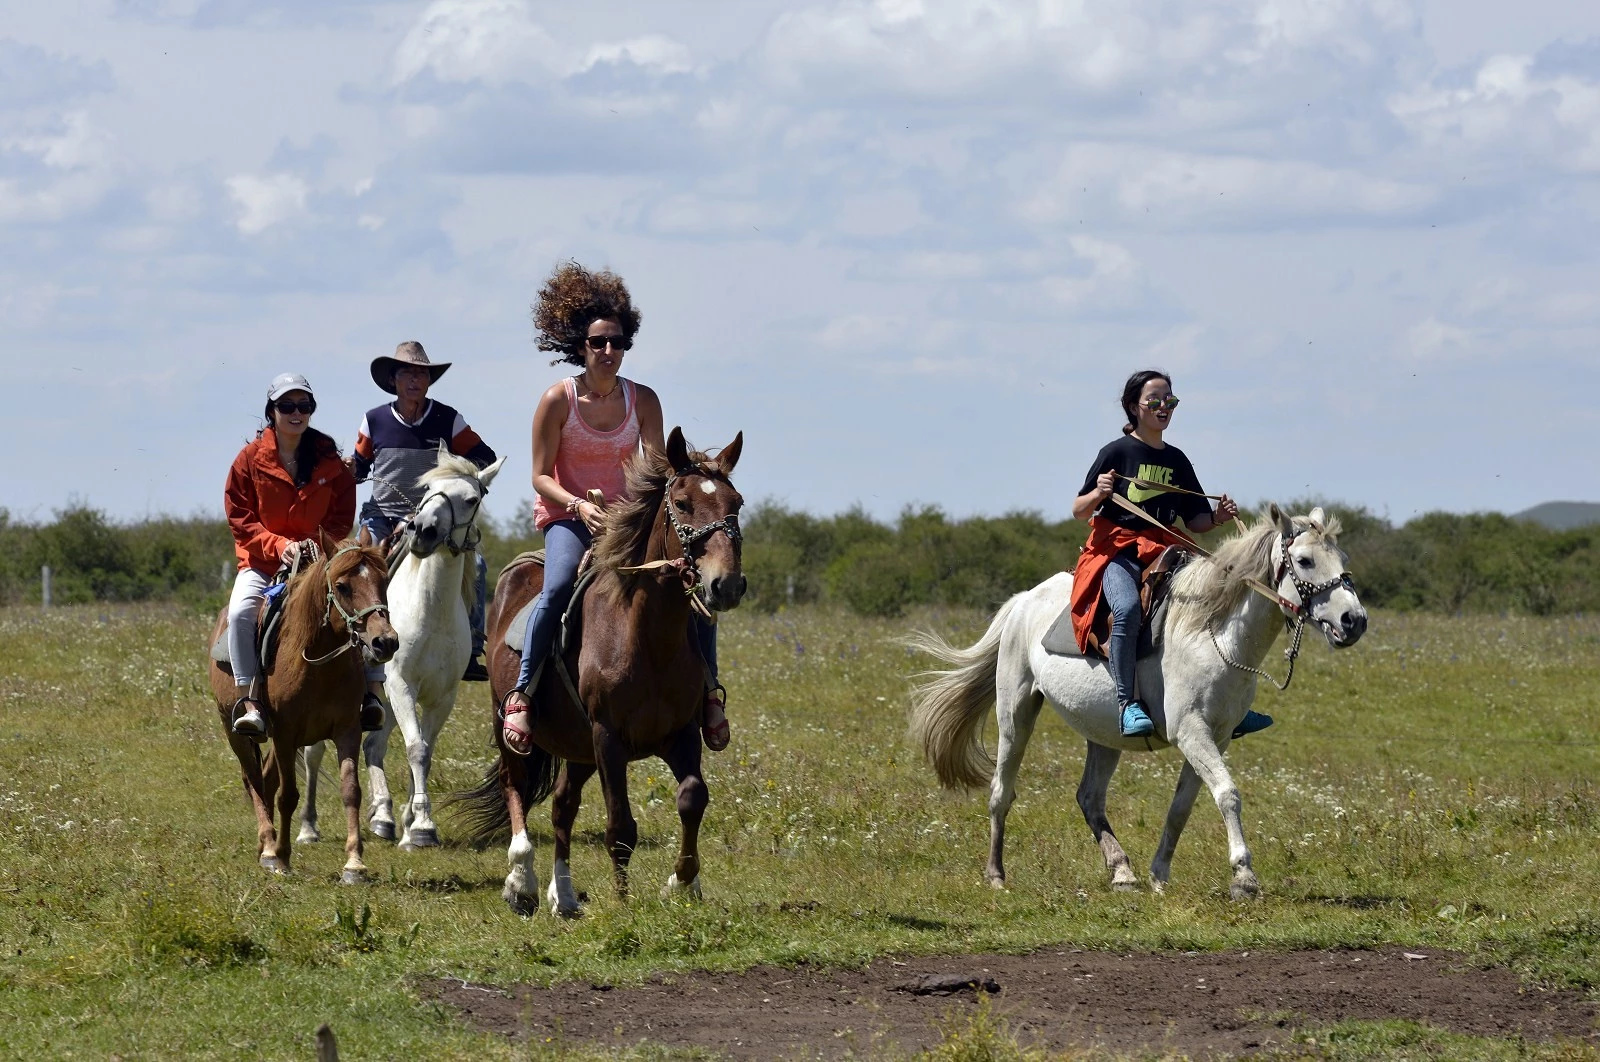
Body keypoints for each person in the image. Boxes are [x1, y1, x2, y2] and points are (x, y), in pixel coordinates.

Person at [501, 261, 729, 756]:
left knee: (688, 591)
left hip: (628, 525)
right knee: (558, 585)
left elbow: (657, 470)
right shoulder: (556, 400)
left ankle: (709, 692)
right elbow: (539, 475)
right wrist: (579, 507)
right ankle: (523, 692)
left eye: (618, 343)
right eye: (599, 342)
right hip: (569, 519)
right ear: (580, 347)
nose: (609, 351)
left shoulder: (643, 400)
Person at [1070, 369, 1270, 740]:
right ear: (1134, 407)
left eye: (1170, 401)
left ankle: (1230, 706)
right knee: (1127, 609)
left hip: (1167, 548)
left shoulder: (1177, 459)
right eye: (1155, 402)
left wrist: (1217, 517)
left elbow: (1195, 521)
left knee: (1217, 597)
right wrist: (1098, 493)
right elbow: (1080, 510)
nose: (1164, 408)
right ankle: (1127, 704)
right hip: (1118, 551)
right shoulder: (1115, 452)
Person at [223, 373, 382, 738]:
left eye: (304, 405)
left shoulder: (329, 458)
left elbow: (342, 515)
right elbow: (240, 518)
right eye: (287, 406)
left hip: (317, 560)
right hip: (263, 564)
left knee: (365, 600)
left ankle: (372, 693)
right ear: (272, 411)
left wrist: (314, 543)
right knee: (241, 612)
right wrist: (280, 546)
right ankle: (251, 701)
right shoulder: (248, 460)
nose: (296, 413)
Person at [349, 341, 498, 684]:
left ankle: (472, 648)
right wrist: (347, 467)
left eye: (422, 373)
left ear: (429, 380)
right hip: (382, 516)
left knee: (475, 564)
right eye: (407, 373)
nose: (415, 380)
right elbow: (359, 468)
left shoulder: (448, 419)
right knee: (360, 571)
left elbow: (484, 458)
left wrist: (451, 477)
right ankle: (358, 646)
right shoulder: (374, 420)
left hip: (433, 520)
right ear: (394, 379)